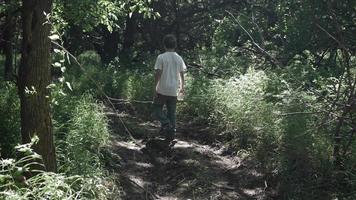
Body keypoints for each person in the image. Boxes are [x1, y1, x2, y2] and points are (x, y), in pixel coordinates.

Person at [152, 34, 186, 142]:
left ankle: (165, 123)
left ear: (164, 45)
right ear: (175, 45)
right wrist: (182, 87)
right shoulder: (179, 58)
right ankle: (171, 135)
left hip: (162, 88)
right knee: (172, 113)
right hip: (173, 90)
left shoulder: (161, 57)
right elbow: (182, 74)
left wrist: (155, 87)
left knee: (156, 109)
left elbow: (158, 73)